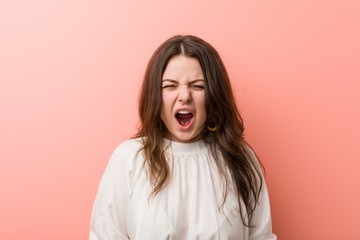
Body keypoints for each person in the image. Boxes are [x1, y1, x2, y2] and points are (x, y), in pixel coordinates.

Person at [89, 35, 277, 240]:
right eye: (170, 86)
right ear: (155, 96)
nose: (184, 95)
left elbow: (261, 237)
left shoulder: (241, 159)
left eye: (198, 86)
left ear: (214, 95)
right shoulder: (129, 158)